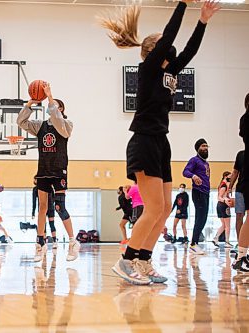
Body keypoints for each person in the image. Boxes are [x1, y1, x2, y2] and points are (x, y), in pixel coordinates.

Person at [101, 0, 219, 284]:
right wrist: (182, 5)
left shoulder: (169, 72)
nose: (172, 50)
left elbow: (189, 50)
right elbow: (170, 37)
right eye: (165, 46)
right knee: (153, 208)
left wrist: (202, 21)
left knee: (164, 209)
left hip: (160, 142)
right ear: (155, 51)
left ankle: (144, 259)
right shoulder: (148, 69)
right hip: (143, 141)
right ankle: (125, 261)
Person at [17, 82, 80, 263]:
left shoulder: (67, 125)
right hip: (43, 170)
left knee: (59, 207)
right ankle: (40, 244)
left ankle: (72, 241)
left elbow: (57, 119)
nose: (50, 108)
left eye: (55, 106)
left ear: (61, 109)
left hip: (59, 170)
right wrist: (30, 104)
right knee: (42, 209)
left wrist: (50, 96)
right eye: (50, 106)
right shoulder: (40, 126)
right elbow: (21, 122)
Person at [183, 138, 211, 255]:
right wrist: (193, 176)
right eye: (203, 146)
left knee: (203, 218)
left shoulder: (206, 163)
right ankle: (193, 244)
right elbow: (185, 172)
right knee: (200, 218)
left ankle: (195, 243)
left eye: (206, 146)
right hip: (198, 192)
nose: (205, 148)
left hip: (205, 192)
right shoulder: (194, 160)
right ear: (198, 148)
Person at [233, 92, 249, 272]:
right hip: (246, 180)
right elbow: (235, 172)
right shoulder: (247, 119)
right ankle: (241, 256)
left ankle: (243, 255)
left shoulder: (244, 120)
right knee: (244, 217)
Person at [33, 178, 58, 248]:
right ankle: (43, 242)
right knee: (43, 225)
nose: (36, 180)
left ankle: (55, 241)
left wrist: (52, 206)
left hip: (50, 208)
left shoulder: (50, 188)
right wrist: (33, 212)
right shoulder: (35, 189)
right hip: (42, 209)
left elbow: (53, 198)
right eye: (35, 179)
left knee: (51, 224)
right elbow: (34, 201)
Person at [228, 150, 245, 250]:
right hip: (240, 190)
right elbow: (235, 172)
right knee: (239, 216)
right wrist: (230, 187)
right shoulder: (240, 154)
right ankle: (240, 244)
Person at [213, 172, 233, 248]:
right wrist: (225, 201)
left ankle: (216, 238)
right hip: (223, 205)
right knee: (228, 226)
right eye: (230, 176)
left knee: (224, 225)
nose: (231, 178)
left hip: (220, 205)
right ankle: (227, 242)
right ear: (225, 176)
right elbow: (219, 197)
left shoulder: (223, 184)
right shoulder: (224, 185)